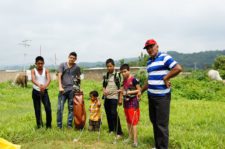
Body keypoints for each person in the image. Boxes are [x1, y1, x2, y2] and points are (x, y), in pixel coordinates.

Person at [141, 39, 182, 149]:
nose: (150, 49)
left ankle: (163, 147)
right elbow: (149, 80)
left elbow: (178, 68)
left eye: (151, 47)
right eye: (147, 48)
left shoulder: (165, 57)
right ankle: (158, 145)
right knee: (154, 122)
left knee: (161, 125)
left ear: (157, 46)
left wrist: (166, 77)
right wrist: (140, 91)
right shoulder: (149, 62)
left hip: (162, 97)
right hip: (151, 96)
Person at [57, 52, 81, 129]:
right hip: (63, 90)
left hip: (72, 91)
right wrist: (60, 87)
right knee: (60, 108)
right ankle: (59, 126)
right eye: (71, 57)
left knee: (71, 108)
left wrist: (78, 88)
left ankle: (69, 125)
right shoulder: (62, 65)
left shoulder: (77, 67)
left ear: (76, 59)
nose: (72, 59)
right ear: (68, 57)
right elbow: (59, 76)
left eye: (74, 58)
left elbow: (78, 78)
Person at [119, 64, 141, 148]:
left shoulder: (134, 80)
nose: (123, 74)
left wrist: (129, 92)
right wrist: (120, 98)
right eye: (122, 72)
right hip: (126, 103)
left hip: (133, 103)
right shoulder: (123, 81)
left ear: (129, 70)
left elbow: (139, 90)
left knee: (134, 122)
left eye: (125, 71)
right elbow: (121, 91)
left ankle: (135, 141)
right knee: (128, 121)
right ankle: (130, 137)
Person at [102, 58, 123, 137]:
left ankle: (119, 132)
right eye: (107, 66)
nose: (109, 68)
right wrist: (104, 91)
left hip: (114, 97)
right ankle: (111, 130)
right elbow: (104, 86)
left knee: (114, 113)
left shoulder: (118, 75)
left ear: (114, 66)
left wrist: (120, 98)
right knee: (108, 114)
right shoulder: (106, 75)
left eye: (110, 66)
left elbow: (121, 87)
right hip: (107, 97)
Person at [31, 56, 52, 129]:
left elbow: (49, 79)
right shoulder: (33, 70)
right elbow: (33, 80)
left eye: (41, 63)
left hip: (44, 92)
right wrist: (39, 85)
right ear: (35, 63)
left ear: (43, 63)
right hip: (36, 92)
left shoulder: (46, 70)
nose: (40, 65)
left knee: (48, 108)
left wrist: (44, 86)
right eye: (38, 63)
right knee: (37, 109)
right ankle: (39, 125)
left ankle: (48, 126)